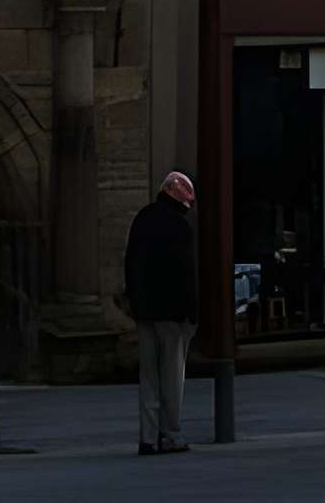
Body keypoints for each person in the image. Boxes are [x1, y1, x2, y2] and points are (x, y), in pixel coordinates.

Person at [124, 170, 199, 456]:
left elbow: (132, 264)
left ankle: (147, 437)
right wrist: (192, 313)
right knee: (172, 377)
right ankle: (171, 434)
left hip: (146, 313)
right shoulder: (181, 226)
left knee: (149, 377)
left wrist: (136, 304)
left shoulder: (142, 218)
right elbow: (186, 274)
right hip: (174, 314)